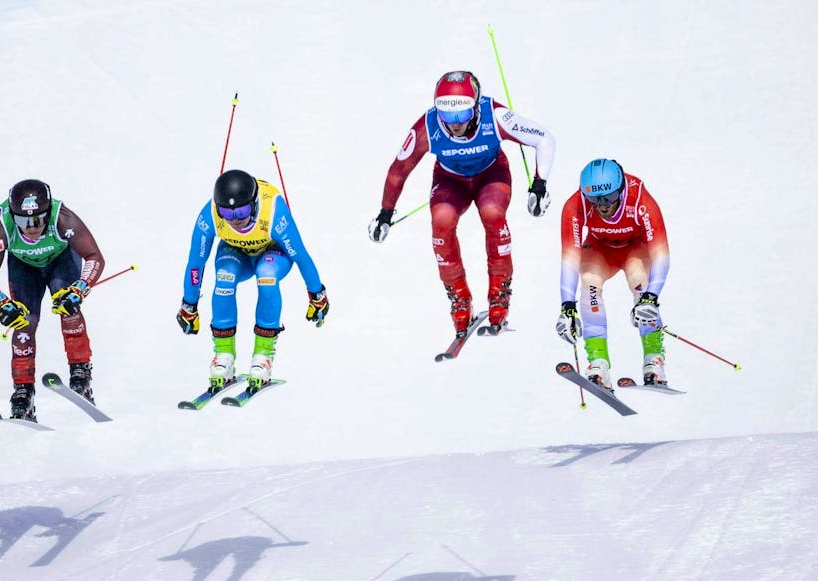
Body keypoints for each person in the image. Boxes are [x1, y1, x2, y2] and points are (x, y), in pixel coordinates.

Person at [369, 70, 557, 335]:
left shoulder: (494, 114)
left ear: (476, 107)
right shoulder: (428, 125)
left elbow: (544, 139)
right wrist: (385, 213)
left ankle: (499, 294)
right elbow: (399, 169)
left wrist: (540, 184)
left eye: (463, 115)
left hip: (491, 175)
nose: (455, 123)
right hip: (450, 180)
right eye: (447, 116)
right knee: (441, 222)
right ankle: (459, 298)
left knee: (492, 213)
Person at [176, 169, 329, 391]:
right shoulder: (209, 215)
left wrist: (318, 295)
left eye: (243, 211)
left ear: (255, 204)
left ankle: (263, 357)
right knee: (224, 279)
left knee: (266, 277)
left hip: (273, 253)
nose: (235, 220)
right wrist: (188, 305)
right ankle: (224, 356)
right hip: (236, 252)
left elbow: (301, 256)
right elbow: (195, 264)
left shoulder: (273, 212)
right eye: (227, 215)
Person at [0, 179, 105, 420]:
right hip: (24, 267)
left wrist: (79, 289)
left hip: (61, 261)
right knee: (24, 321)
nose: (32, 227)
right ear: (13, 217)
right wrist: (1, 304)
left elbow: (94, 256)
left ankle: (81, 373)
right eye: (24, 221)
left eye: (38, 219)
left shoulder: (63, 219)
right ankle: (23, 390)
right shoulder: (1, 228)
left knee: (67, 306)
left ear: (48, 213)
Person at [555, 159, 670, 389]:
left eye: (608, 198)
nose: (602, 206)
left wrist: (651, 296)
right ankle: (598, 362)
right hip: (600, 250)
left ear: (621, 189)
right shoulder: (575, 205)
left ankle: (654, 359)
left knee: (639, 280)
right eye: (594, 199)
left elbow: (661, 254)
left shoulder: (639, 198)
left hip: (635, 248)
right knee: (588, 281)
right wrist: (567, 306)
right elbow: (569, 259)